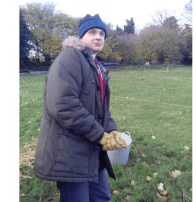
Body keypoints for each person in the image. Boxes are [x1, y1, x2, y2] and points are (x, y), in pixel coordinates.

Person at [33, 14, 128, 202]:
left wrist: (112, 131)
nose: (98, 36)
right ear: (80, 36)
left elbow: (102, 109)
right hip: (69, 153)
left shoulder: (98, 67)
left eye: (102, 33)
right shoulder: (70, 57)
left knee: (101, 197)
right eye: (92, 32)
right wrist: (100, 135)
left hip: (92, 151)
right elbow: (62, 104)